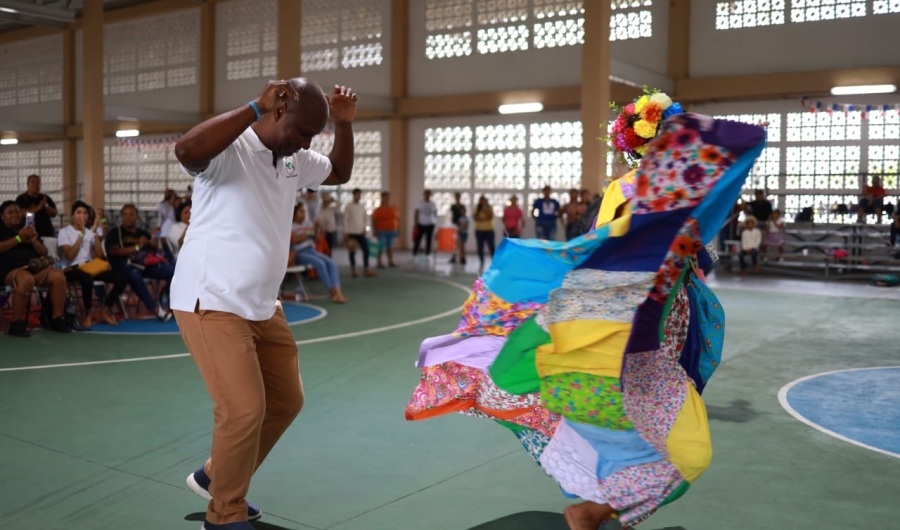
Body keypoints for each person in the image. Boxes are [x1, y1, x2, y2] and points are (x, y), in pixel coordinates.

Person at [403, 89, 767, 530]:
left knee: (672, 449)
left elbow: (689, 252)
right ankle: (594, 505)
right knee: (670, 448)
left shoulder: (674, 200)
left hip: (646, 336)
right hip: (619, 332)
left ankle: (595, 504)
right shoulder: (635, 195)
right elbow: (608, 254)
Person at [171, 78, 357, 530]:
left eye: (315, 134)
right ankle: (224, 514)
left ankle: (215, 476)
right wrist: (253, 106)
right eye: (301, 131)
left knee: (286, 402)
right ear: (277, 111)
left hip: (262, 306)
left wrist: (345, 126)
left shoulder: (294, 159)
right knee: (242, 410)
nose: (306, 142)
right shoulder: (230, 150)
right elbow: (186, 150)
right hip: (211, 298)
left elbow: (339, 172)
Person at [0, 200, 70, 337]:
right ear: (2, 216)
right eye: (10, 212)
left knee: (58, 276)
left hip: (32, 268)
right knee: (26, 279)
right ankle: (16, 323)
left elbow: (43, 252)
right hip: (8, 270)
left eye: (17, 212)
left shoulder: (27, 228)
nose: (15, 215)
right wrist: (19, 238)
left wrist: (33, 239)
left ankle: (56, 319)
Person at [58, 201, 125, 328]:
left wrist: (93, 234)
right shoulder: (64, 232)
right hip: (72, 269)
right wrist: (81, 235)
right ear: (72, 216)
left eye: (85, 213)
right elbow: (69, 256)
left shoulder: (90, 232)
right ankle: (88, 314)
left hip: (90, 268)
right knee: (86, 279)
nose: (82, 216)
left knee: (121, 278)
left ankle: (104, 310)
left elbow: (99, 256)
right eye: (78, 212)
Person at [104, 204, 175, 321]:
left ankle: (173, 306)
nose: (128, 217)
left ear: (137, 217)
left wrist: (153, 242)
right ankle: (155, 309)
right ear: (121, 217)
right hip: (123, 264)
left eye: (131, 214)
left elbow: (155, 251)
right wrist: (137, 246)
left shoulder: (142, 233)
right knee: (134, 274)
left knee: (171, 271)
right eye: (125, 214)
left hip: (144, 265)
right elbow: (113, 251)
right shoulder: (115, 232)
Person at [291, 203, 347, 303]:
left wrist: (316, 228)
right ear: (295, 213)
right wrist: (310, 230)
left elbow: (316, 239)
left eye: (304, 211)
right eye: (301, 211)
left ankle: (338, 292)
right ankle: (332, 293)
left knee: (331, 262)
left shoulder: (307, 224)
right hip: (299, 253)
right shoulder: (291, 226)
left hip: (311, 250)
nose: (303, 214)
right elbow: (295, 240)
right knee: (320, 263)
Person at [343, 188, 376, 278]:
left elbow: (365, 219)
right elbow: (346, 220)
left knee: (366, 249)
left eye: (359, 195)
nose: (358, 196)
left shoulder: (362, 207)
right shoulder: (349, 206)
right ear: (353, 195)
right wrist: (346, 232)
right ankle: (353, 269)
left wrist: (365, 228)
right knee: (352, 251)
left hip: (360, 232)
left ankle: (366, 269)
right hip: (351, 232)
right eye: (357, 194)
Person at [372, 191, 399, 268]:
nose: (387, 199)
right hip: (381, 230)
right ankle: (379, 262)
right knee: (381, 247)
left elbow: (397, 219)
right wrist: (375, 230)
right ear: (382, 198)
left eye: (388, 197)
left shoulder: (394, 208)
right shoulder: (378, 210)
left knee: (390, 247)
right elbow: (374, 220)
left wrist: (398, 228)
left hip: (392, 230)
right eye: (385, 197)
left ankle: (390, 261)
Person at [473, 195, 495, 269]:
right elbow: (476, 218)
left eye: (484, 200)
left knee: (491, 246)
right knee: (480, 247)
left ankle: (494, 260)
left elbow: (490, 217)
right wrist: (485, 218)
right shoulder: (477, 208)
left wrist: (485, 210)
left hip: (489, 230)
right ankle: (482, 261)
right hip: (479, 230)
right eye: (481, 201)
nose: (483, 202)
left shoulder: (489, 207)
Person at [413, 190, 437, 257]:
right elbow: (416, 212)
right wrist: (416, 223)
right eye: (426, 194)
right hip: (421, 223)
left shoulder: (433, 204)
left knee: (429, 239)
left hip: (430, 224)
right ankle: (415, 252)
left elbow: (435, 213)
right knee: (418, 238)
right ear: (424, 195)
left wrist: (434, 221)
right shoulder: (420, 203)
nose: (427, 195)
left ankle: (427, 253)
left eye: (429, 194)